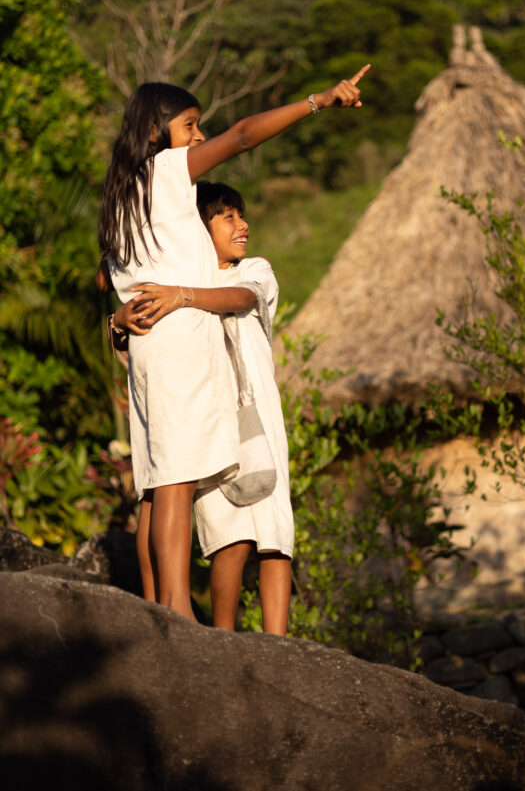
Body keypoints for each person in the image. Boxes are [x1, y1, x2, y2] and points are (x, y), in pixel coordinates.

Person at [100, 71, 368, 619]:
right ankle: (175, 607)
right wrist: (319, 100)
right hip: (176, 337)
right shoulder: (166, 171)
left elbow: (105, 279)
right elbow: (244, 135)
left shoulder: (122, 194)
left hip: (150, 345)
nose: (199, 138)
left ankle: (164, 603)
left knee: (160, 481)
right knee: (174, 481)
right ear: (154, 133)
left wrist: (116, 318)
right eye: (190, 127)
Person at [115, 182, 292, 633]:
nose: (243, 224)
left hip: (259, 415)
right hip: (210, 418)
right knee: (228, 538)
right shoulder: (180, 277)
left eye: (241, 214)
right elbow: (125, 305)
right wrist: (117, 320)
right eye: (228, 216)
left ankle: (279, 645)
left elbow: (242, 298)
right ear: (199, 228)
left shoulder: (253, 269)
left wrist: (184, 296)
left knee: (274, 537)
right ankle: (223, 638)